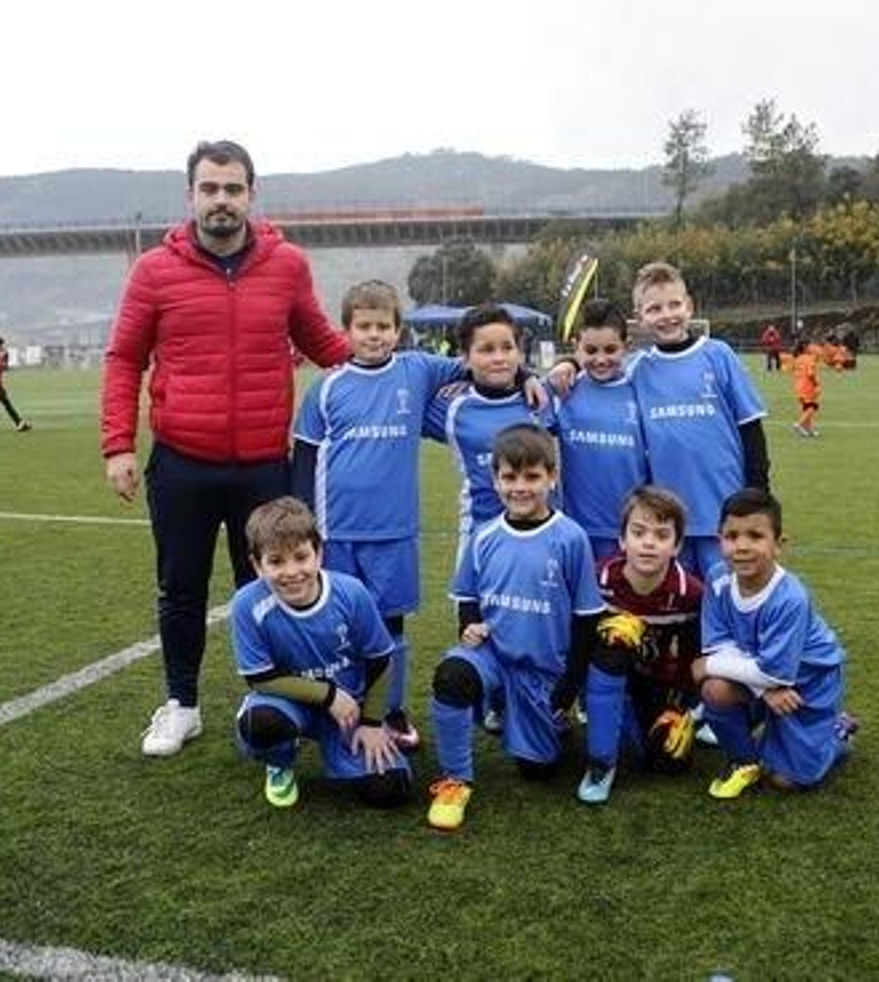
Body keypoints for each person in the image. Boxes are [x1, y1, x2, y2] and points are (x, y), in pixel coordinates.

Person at [102, 139, 351, 758]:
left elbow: (325, 343)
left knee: (271, 589)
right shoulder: (154, 271)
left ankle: (268, 699)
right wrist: (118, 445)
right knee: (180, 589)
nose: (221, 200)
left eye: (232, 188)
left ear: (251, 195)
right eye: (209, 188)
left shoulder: (287, 264)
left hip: (265, 464)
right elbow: (125, 357)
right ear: (190, 195)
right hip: (182, 461)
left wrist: (403, 371)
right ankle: (182, 706)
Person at [292, 279, 468, 751]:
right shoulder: (327, 389)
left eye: (384, 327)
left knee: (390, 627)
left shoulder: (418, 371)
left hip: (394, 533)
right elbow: (306, 458)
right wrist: (303, 527)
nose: (375, 335)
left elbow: (476, 365)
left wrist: (535, 376)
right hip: (336, 533)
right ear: (347, 331)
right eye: (364, 327)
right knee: (338, 625)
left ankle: (389, 709)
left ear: (398, 330)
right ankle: (341, 706)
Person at [425, 424, 606, 831]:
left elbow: (586, 618)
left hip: (544, 669)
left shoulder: (570, 538)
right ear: (495, 479)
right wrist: (469, 626)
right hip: (494, 655)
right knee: (452, 676)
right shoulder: (485, 536)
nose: (520, 487)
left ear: (552, 477)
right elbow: (467, 595)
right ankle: (456, 780)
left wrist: (570, 685)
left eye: (532, 477)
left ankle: (537, 716)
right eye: (509, 477)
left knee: (538, 770)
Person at [228, 497, 409, 809]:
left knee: (389, 789)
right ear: (257, 565)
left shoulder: (350, 593)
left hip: (349, 707)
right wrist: (327, 695)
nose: (291, 571)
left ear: (319, 553)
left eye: (301, 557)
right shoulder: (247, 605)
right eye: (276, 561)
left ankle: (340, 748)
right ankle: (280, 761)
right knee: (262, 723)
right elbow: (260, 677)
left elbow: (380, 658)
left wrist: (372, 721)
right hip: (287, 701)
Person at [695, 487, 858, 798]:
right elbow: (720, 643)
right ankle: (745, 762)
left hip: (809, 681)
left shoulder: (790, 598)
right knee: (714, 689)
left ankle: (836, 732)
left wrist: (707, 664)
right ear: (720, 541)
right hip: (761, 673)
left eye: (755, 536)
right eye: (731, 536)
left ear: (779, 545)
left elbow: (772, 673)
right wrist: (762, 688)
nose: (741, 547)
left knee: (788, 781)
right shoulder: (717, 578)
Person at [622, 262, 770, 580]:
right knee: (680, 610)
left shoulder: (718, 356)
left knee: (729, 601)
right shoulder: (636, 369)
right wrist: (566, 364)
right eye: (654, 308)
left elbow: (751, 427)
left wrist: (758, 493)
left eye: (674, 304)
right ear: (639, 317)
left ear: (689, 306)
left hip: (724, 512)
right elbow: (596, 373)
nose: (667, 315)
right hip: (666, 522)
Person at [577, 486, 704, 805]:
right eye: (638, 532)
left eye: (662, 535)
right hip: (604, 673)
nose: (649, 543)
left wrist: (681, 705)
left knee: (671, 763)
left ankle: (632, 718)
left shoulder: (690, 592)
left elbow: (693, 653)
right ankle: (601, 764)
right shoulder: (599, 580)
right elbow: (575, 639)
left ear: (677, 545)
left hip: (655, 679)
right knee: (614, 640)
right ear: (622, 540)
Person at [423, 304, 556, 570]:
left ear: (519, 351)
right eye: (486, 350)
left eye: (507, 347)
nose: (499, 358)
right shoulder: (451, 408)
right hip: (480, 535)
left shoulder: (541, 399)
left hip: (543, 536)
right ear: (465, 357)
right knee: (474, 610)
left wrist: (556, 367)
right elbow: (402, 397)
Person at [553, 299, 649, 562]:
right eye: (591, 350)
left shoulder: (641, 390)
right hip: (575, 532)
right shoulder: (564, 391)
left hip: (632, 533)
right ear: (576, 348)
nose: (601, 359)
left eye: (610, 349)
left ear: (626, 347)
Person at [791, 335, 822, 437]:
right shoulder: (809, 359)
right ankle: (799, 425)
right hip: (807, 387)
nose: (812, 347)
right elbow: (811, 374)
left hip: (798, 386)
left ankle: (809, 429)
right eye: (810, 345)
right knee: (812, 407)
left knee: (806, 407)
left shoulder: (798, 358)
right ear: (805, 346)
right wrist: (816, 384)